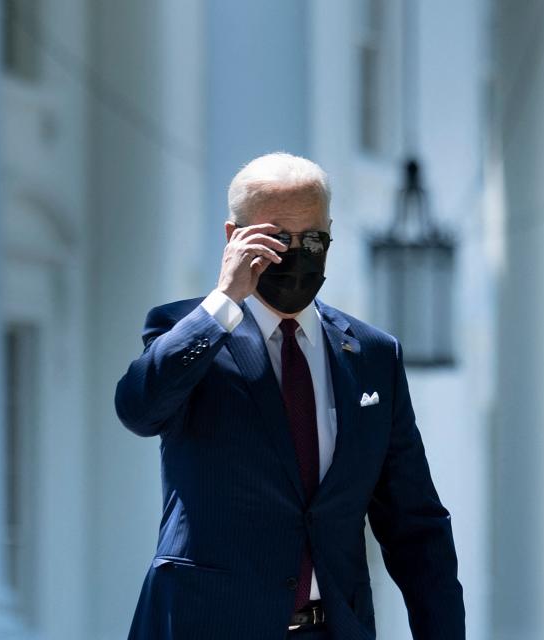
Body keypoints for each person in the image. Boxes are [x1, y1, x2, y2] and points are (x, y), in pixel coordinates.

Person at [114, 152, 465, 640]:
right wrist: (224, 301)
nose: (296, 254)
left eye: (313, 239)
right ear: (233, 237)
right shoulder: (186, 331)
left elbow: (415, 524)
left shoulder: (372, 356)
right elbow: (139, 408)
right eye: (277, 238)